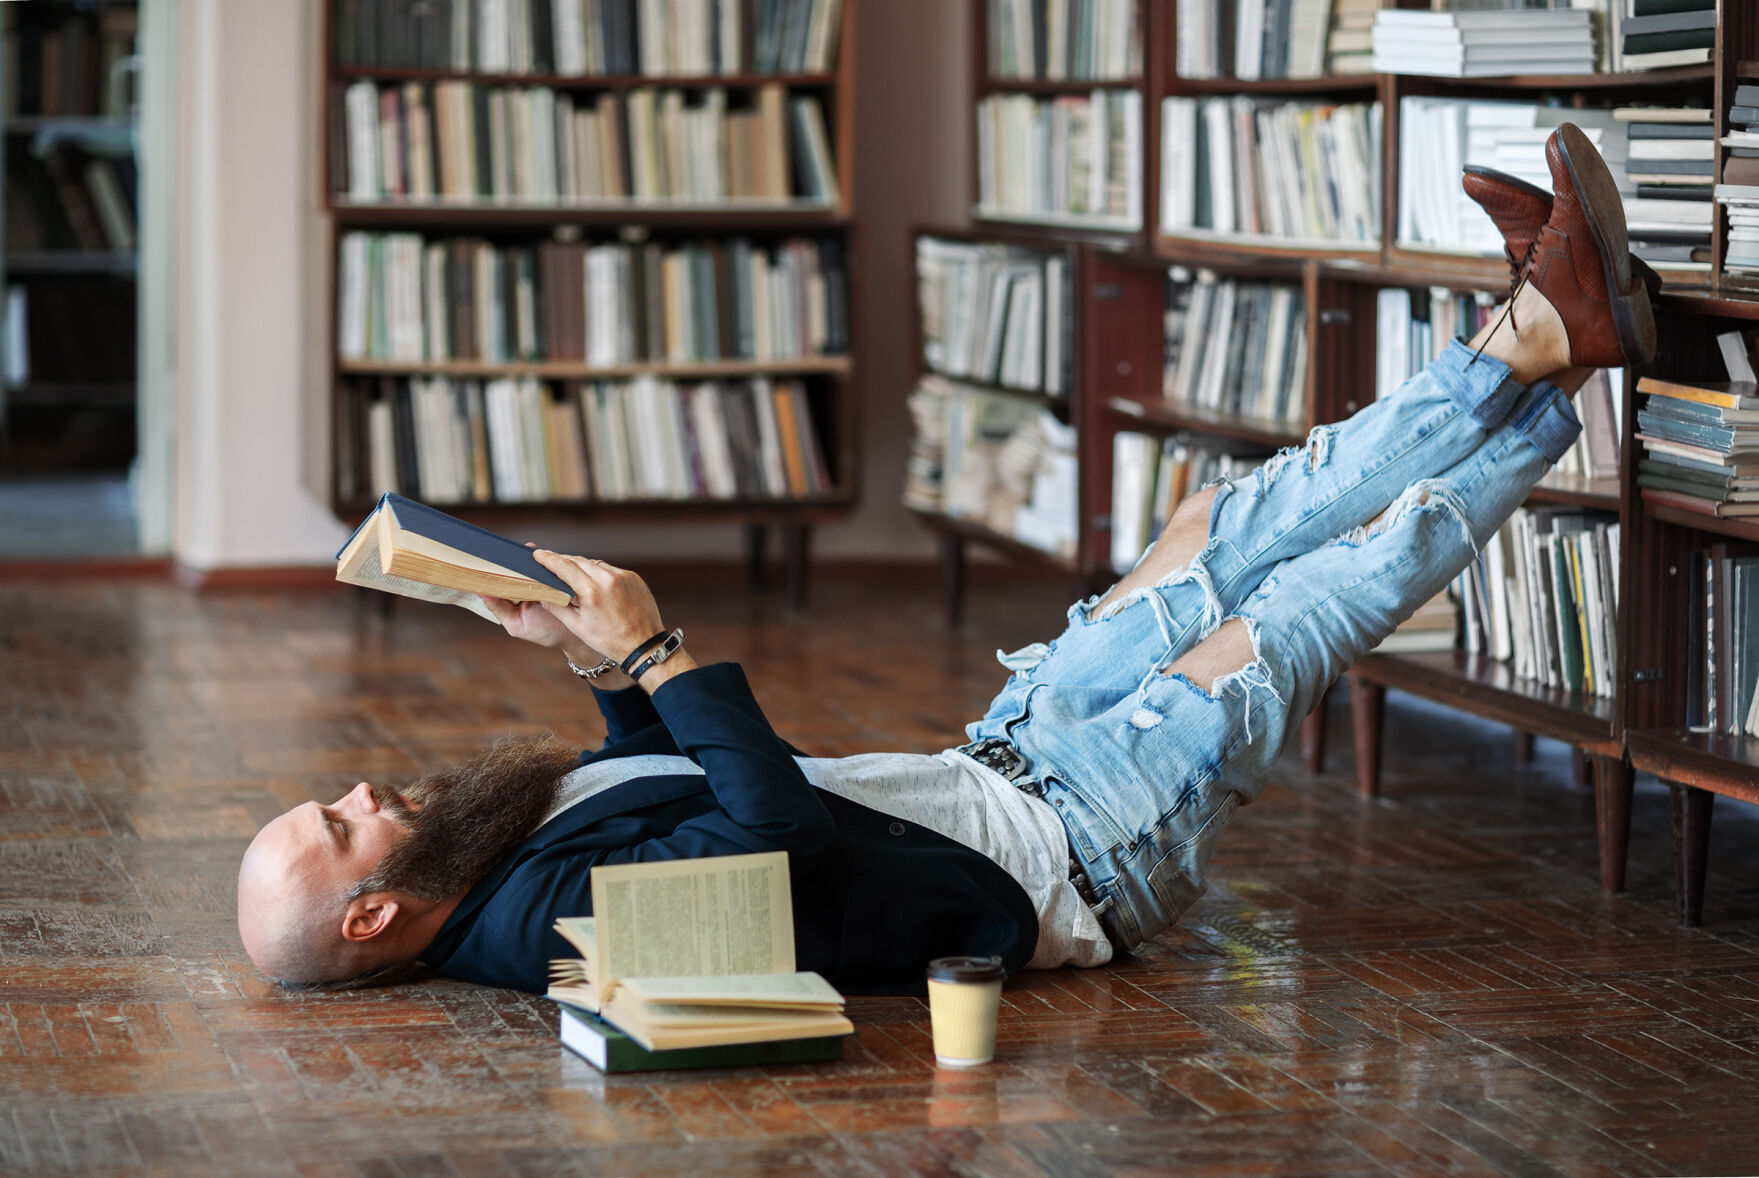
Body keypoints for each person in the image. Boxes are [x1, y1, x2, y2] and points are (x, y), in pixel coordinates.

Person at [237, 124, 1656, 994]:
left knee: (1223, 529)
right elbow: (766, 844)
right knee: (1297, 607)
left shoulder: (488, 864)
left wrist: (600, 672)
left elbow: (664, 799)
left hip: (1004, 763)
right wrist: (661, 652)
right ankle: (1542, 350)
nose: (359, 790)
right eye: (340, 823)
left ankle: (1535, 335)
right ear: (369, 912)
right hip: (1077, 857)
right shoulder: (540, 931)